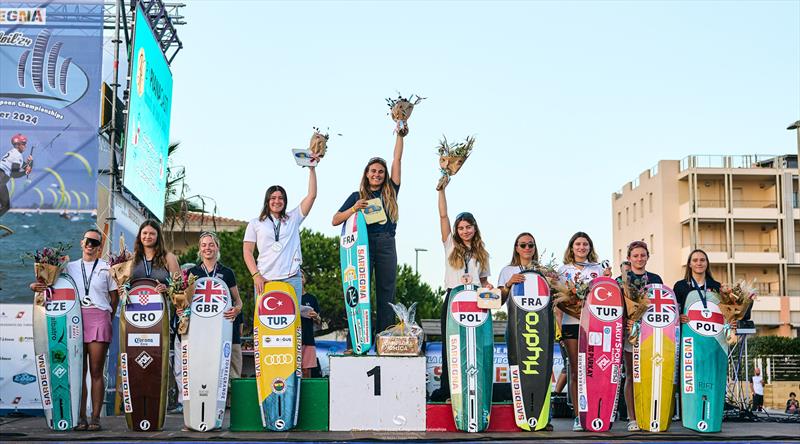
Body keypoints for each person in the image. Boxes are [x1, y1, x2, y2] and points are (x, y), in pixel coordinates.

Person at [30, 228, 118, 431]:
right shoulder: (68, 267)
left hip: (99, 318)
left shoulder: (107, 268)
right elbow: (49, 284)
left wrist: (105, 316)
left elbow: (115, 298)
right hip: (75, 321)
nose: (90, 245)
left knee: (96, 371)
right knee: (79, 371)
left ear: (99, 247)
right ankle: (80, 417)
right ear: (81, 243)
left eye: (95, 242)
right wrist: (36, 286)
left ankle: (95, 418)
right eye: (87, 240)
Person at [331, 132, 405, 337]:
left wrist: (400, 134)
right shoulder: (357, 196)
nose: (377, 174)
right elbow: (335, 220)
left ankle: (384, 338)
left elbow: (397, 159)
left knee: (386, 292)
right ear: (366, 173)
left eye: (381, 172)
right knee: (358, 291)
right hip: (361, 245)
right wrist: (354, 209)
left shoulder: (390, 191)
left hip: (386, 243)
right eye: (373, 171)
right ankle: (356, 339)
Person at [430, 184, 492, 402]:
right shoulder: (450, 245)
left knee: (475, 346)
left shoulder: (481, 252)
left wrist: (488, 288)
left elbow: (484, 280)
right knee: (453, 346)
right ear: (457, 230)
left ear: (474, 228)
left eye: (469, 227)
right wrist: (441, 191)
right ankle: (449, 390)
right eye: (461, 227)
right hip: (454, 299)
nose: (465, 231)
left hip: (476, 302)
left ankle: (475, 388)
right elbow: (443, 215)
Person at [497, 232, 554, 430]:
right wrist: (508, 284)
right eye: (523, 245)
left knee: (543, 370)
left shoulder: (544, 270)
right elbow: (499, 301)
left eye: (531, 245)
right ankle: (520, 414)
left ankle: (544, 417)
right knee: (518, 371)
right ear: (516, 247)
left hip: (541, 329)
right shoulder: (508, 270)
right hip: (515, 327)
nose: (527, 248)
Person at [185, 232, 243, 414]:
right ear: (199, 249)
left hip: (225, 326)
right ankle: (204, 403)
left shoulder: (227, 273)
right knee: (205, 367)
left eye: (211, 244)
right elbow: (186, 301)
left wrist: (237, 309)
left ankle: (233, 406)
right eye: (204, 245)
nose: (207, 248)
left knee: (231, 367)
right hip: (201, 330)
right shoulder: (192, 273)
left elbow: (238, 301)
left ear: (217, 247)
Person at [557, 232, 609, 431]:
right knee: (576, 370)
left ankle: (597, 412)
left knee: (594, 369)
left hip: (594, 325)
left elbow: (606, 295)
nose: (581, 247)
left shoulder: (598, 268)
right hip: (571, 324)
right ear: (572, 247)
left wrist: (607, 278)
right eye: (578, 244)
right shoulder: (563, 270)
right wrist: (559, 330)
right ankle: (579, 415)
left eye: (585, 244)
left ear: (590, 247)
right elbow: (558, 303)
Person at [244, 165, 317, 302]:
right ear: (267, 200)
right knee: (265, 321)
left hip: (291, 278)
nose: (277, 201)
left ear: (285, 201)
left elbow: (312, 196)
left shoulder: (293, 218)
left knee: (294, 321)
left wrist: (312, 169)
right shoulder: (255, 223)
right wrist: (256, 275)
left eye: (281, 198)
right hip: (265, 278)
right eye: (273, 198)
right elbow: (247, 252)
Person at [130, 220, 181, 411]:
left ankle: (161, 403)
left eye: (151, 233)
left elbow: (180, 288)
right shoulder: (132, 258)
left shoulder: (169, 258)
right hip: (135, 320)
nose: (147, 237)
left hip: (161, 317)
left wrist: (167, 288)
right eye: (144, 234)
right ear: (139, 236)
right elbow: (124, 284)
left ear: (158, 236)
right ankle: (139, 403)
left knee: (160, 359)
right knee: (138, 358)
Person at [616, 240, 663, 431]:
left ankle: (650, 414)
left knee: (651, 374)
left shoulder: (656, 279)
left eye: (643, 255)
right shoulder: (620, 281)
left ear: (648, 257)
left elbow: (664, 305)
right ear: (629, 258)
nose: (639, 259)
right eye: (635, 256)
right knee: (631, 374)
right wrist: (626, 321)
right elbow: (615, 308)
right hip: (629, 334)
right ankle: (632, 417)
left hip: (653, 333)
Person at [1, 133, 33, 218]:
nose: (25, 146)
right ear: (18, 145)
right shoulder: (17, 155)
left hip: (2, 181)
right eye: (24, 143)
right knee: (5, 206)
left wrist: (31, 162)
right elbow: (14, 174)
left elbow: (26, 167)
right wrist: (25, 173)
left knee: (6, 206)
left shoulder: (13, 153)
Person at [299, 269, 321, 378]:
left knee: (306, 370)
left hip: (308, 338)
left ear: (304, 280)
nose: (299, 279)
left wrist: (316, 316)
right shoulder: (289, 297)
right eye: (297, 277)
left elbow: (319, 321)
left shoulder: (311, 298)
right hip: (292, 339)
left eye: (301, 277)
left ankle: (307, 394)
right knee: (293, 370)